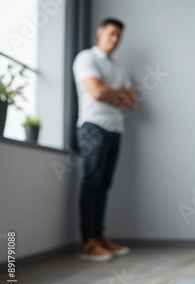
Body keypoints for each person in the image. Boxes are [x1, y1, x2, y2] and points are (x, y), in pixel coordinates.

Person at [73, 18, 136, 261]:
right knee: (92, 183)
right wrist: (117, 94)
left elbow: (132, 102)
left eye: (118, 36)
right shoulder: (86, 58)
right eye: (111, 34)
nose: (114, 39)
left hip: (115, 129)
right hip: (93, 127)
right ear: (100, 33)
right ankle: (88, 242)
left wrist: (114, 94)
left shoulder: (119, 67)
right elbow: (97, 93)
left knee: (104, 185)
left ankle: (99, 237)